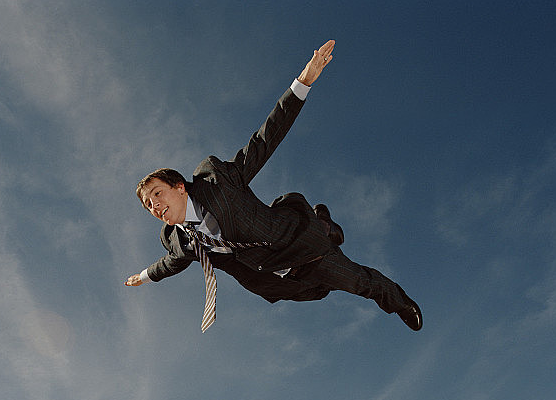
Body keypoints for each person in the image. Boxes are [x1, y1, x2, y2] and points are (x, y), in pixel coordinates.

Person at [125, 40, 422, 333]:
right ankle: (324, 226)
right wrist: (142, 276)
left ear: (179, 187)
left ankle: (397, 299)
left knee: (357, 282)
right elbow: (168, 265)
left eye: (157, 194)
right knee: (319, 291)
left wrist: (303, 82)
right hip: (274, 279)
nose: (154, 206)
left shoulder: (218, 181)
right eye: (148, 205)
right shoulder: (179, 242)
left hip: (299, 245)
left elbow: (263, 142)